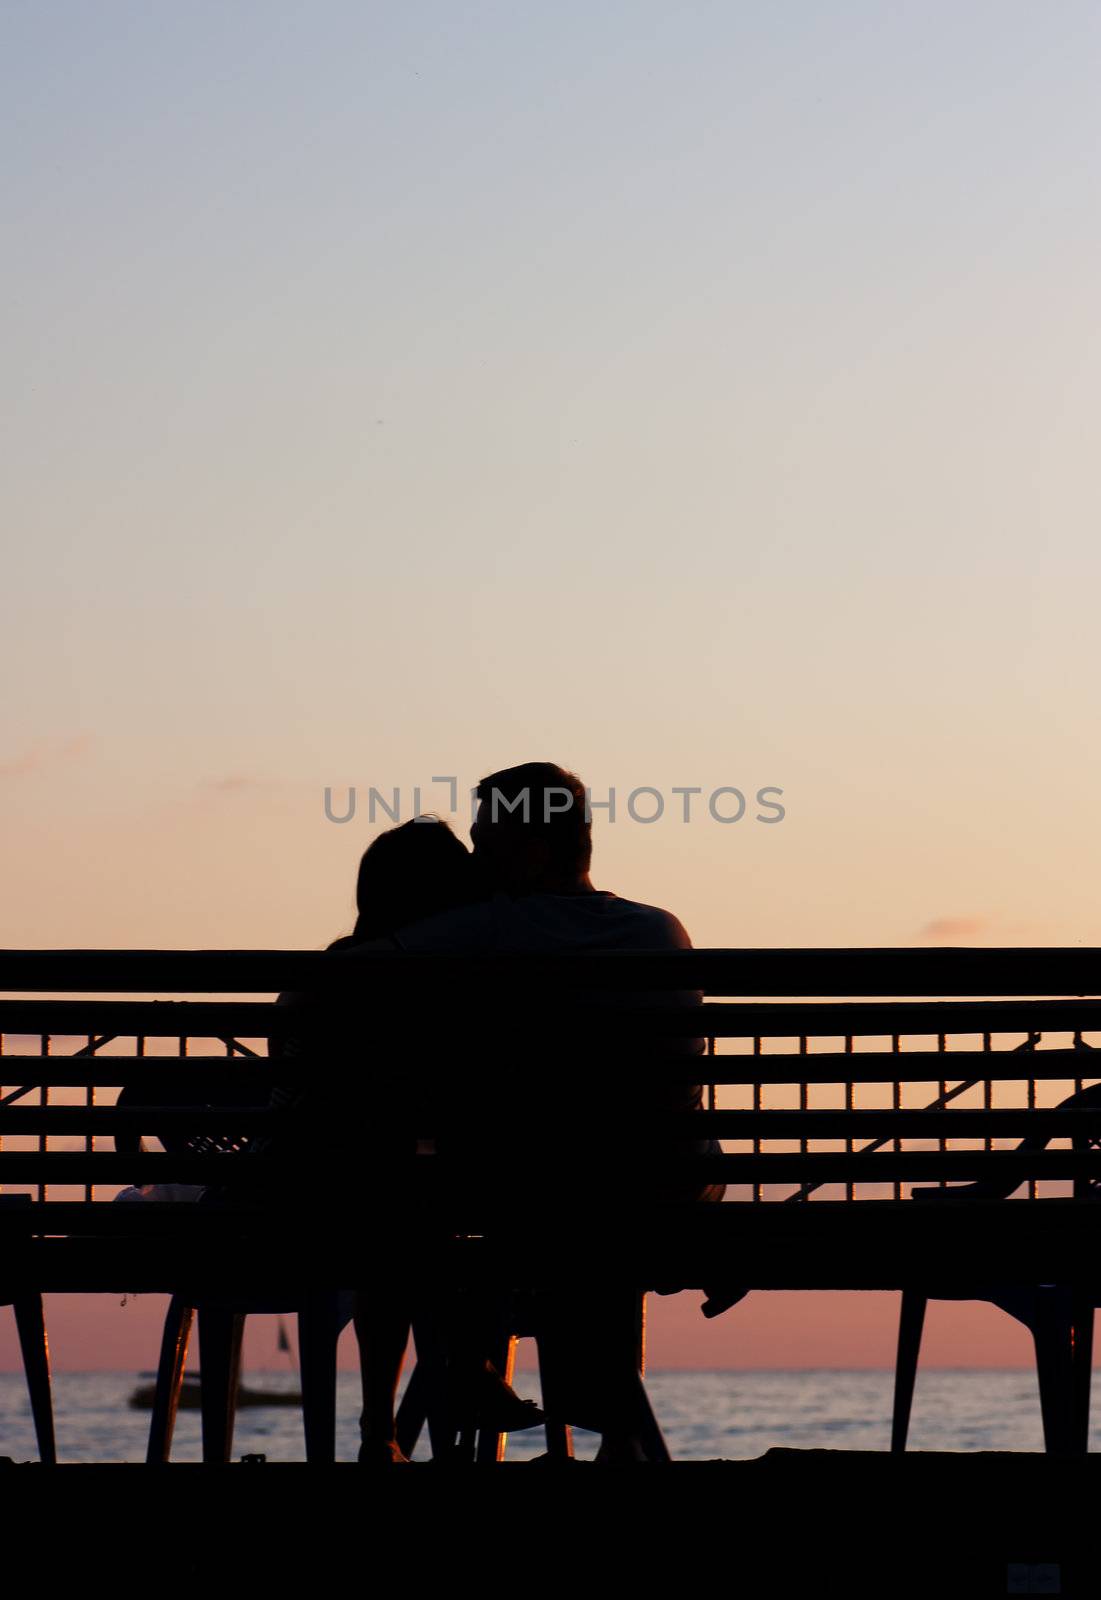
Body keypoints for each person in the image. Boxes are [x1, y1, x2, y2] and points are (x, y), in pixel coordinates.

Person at [365, 761, 725, 1460]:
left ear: (530, 850)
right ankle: (614, 1427)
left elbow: (336, 979)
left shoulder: (484, 929)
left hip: (529, 1195)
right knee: (612, 1178)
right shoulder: (660, 931)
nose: (473, 857)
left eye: (485, 841)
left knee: (536, 1184)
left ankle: (473, 1382)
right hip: (664, 1195)